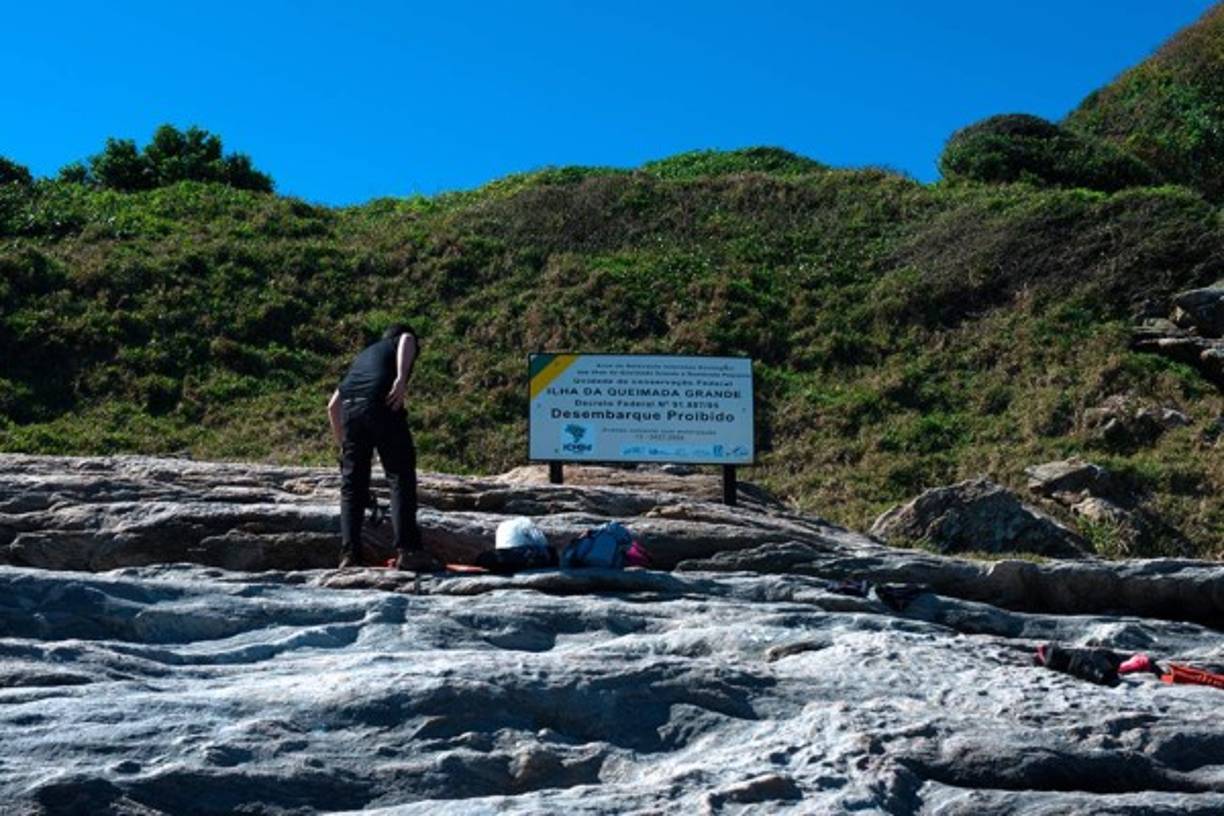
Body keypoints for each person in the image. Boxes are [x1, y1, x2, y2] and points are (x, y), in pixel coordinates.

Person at [328, 324, 438, 570]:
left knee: (353, 487)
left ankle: (350, 555)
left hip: (351, 410)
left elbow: (332, 406)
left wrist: (344, 445)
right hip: (382, 403)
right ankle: (408, 551)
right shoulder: (399, 342)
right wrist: (400, 379)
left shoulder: (364, 356)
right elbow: (408, 338)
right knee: (400, 475)